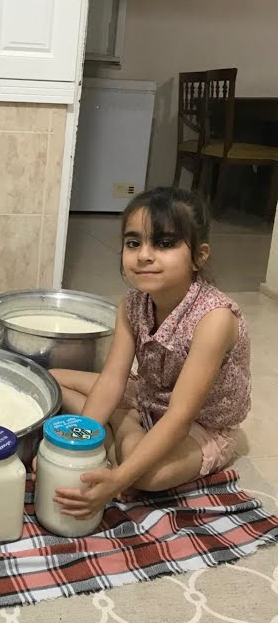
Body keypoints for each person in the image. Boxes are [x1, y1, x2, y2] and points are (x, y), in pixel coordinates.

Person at [51, 186, 251, 520]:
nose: (144, 255)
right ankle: (123, 422)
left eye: (164, 243)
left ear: (199, 256)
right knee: (51, 380)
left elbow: (180, 416)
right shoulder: (131, 304)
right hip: (149, 396)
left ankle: (124, 425)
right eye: (133, 243)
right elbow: (113, 379)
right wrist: (73, 447)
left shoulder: (215, 319)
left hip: (199, 423)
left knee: (146, 476)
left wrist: (117, 479)